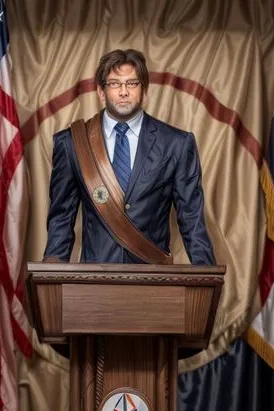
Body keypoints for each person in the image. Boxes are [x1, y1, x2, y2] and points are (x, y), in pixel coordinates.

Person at [43, 49, 216, 266]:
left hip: (155, 280)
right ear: (101, 91)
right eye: (114, 84)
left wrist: (206, 277)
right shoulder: (72, 143)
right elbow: (61, 217)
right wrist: (52, 276)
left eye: (132, 83)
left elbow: (192, 219)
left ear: (144, 90)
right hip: (92, 282)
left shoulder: (177, 143)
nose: (123, 91)